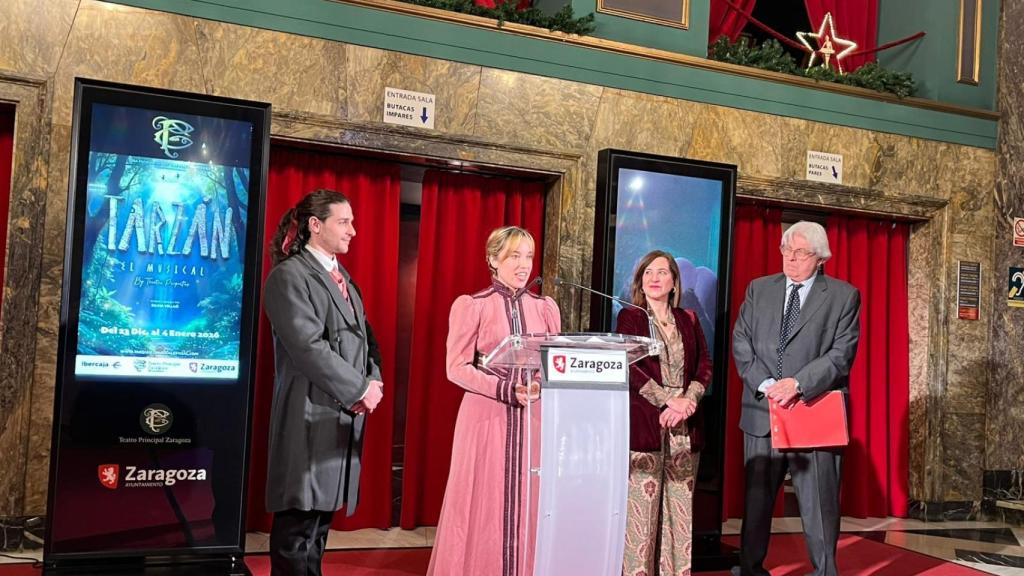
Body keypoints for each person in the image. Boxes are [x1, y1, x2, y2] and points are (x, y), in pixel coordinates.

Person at [262, 189, 385, 576]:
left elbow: (368, 341)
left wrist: (373, 381)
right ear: (316, 226)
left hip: (340, 415)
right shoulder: (289, 276)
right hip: (308, 414)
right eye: (343, 222)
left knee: (317, 531)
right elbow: (307, 347)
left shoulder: (344, 278)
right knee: (297, 531)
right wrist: (360, 389)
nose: (353, 230)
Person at [428, 226, 561, 576]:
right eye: (514, 255)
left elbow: (554, 362)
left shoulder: (545, 307)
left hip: (534, 416)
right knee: (482, 500)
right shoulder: (472, 305)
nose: (523, 264)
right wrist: (504, 390)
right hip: (486, 415)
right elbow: (455, 368)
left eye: (528, 256)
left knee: (531, 499)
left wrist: (537, 384)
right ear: (493, 258)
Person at [731, 221, 860, 576]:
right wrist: (768, 383)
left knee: (819, 505)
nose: (791, 258)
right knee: (756, 505)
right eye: (786, 250)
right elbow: (741, 342)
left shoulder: (843, 296)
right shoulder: (759, 289)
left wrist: (799, 383)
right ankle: (750, 570)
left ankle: (824, 571)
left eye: (800, 252)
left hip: (812, 411)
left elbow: (841, 354)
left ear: (820, 258)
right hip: (762, 411)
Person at [616, 250, 712, 576]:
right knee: (642, 517)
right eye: (648, 273)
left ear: (674, 281)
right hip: (647, 424)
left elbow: (704, 365)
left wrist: (689, 401)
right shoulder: (630, 317)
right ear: (641, 281)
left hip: (686, 426)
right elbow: (630, 366)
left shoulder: (689, 319)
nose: (654, 278)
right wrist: (668, 401)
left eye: (662, 272)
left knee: (681, 513)